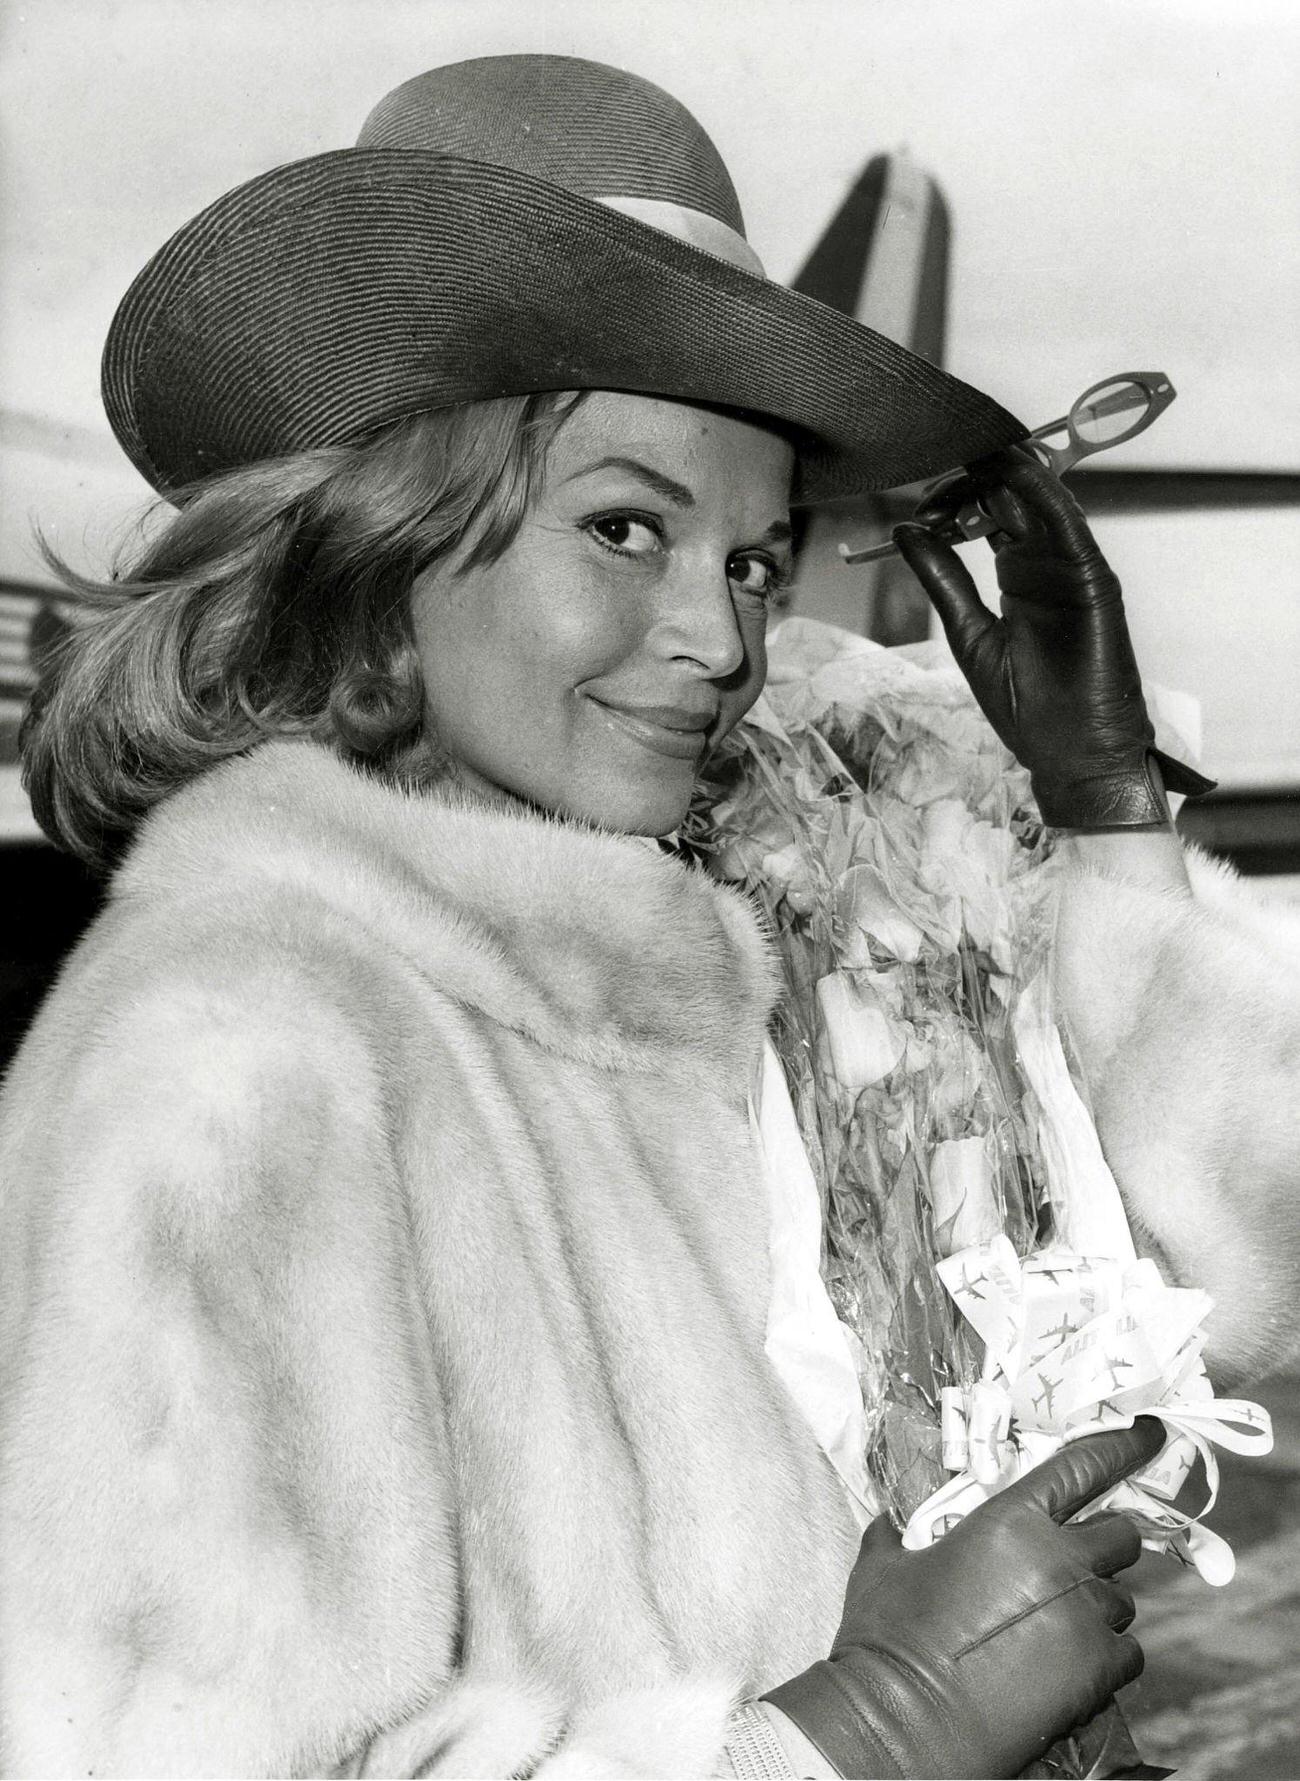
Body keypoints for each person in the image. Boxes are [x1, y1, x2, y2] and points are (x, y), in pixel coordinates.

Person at [1, 53, 1296, 1780]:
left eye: (757, 560)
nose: (723, 636)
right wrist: (865, 1730)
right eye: (627, 527)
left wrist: (1110, 812)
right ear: (386, 538)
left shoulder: (745, 952)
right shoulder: (238, 1053)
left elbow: (1223, 1286)